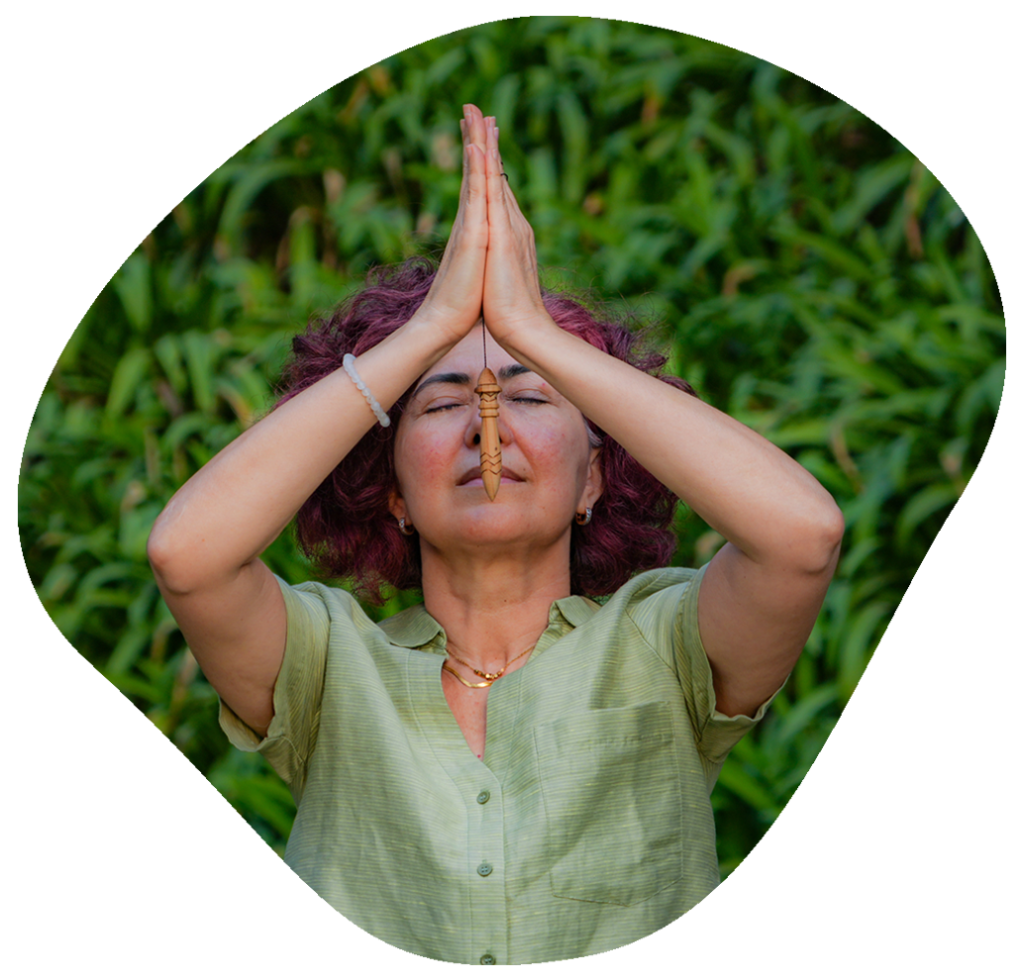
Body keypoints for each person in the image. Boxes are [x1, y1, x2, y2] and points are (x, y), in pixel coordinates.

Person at [147, 105, 844, 965]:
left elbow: (804, 535)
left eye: (530, 396)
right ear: (392, 494)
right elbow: (187, 554)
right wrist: (429, 328)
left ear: (593, 478)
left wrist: (535, 333)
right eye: (440, 405)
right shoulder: (324, 662)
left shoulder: (665, 643)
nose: (488, 428)